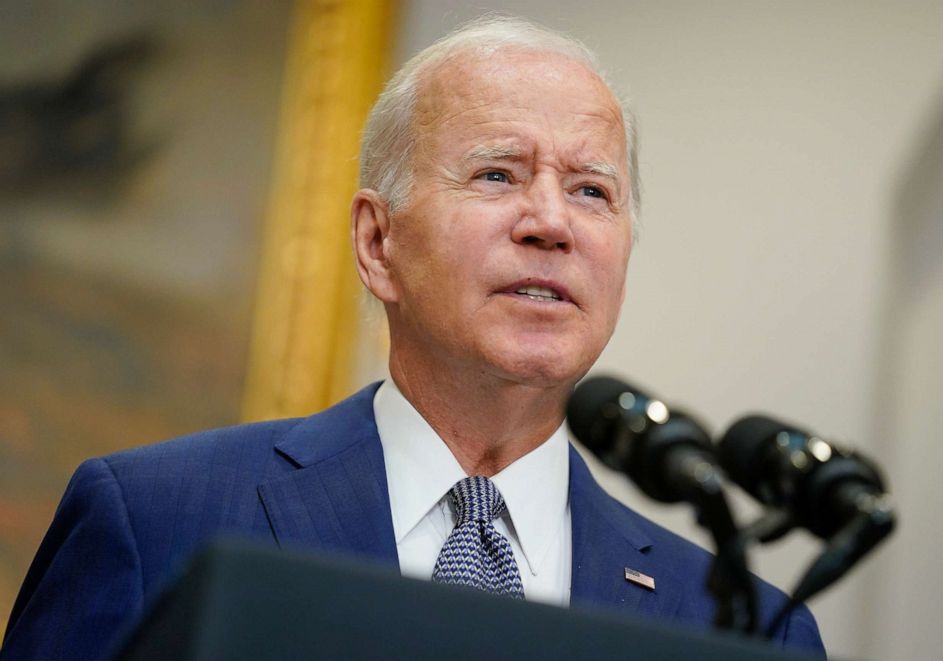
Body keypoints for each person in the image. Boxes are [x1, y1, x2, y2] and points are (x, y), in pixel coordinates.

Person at [1, 15, 824, 660]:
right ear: (377, 241)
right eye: (498, 173)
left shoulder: (741, 626)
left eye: (591, 190)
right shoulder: (155, 522)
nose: (550, 222)